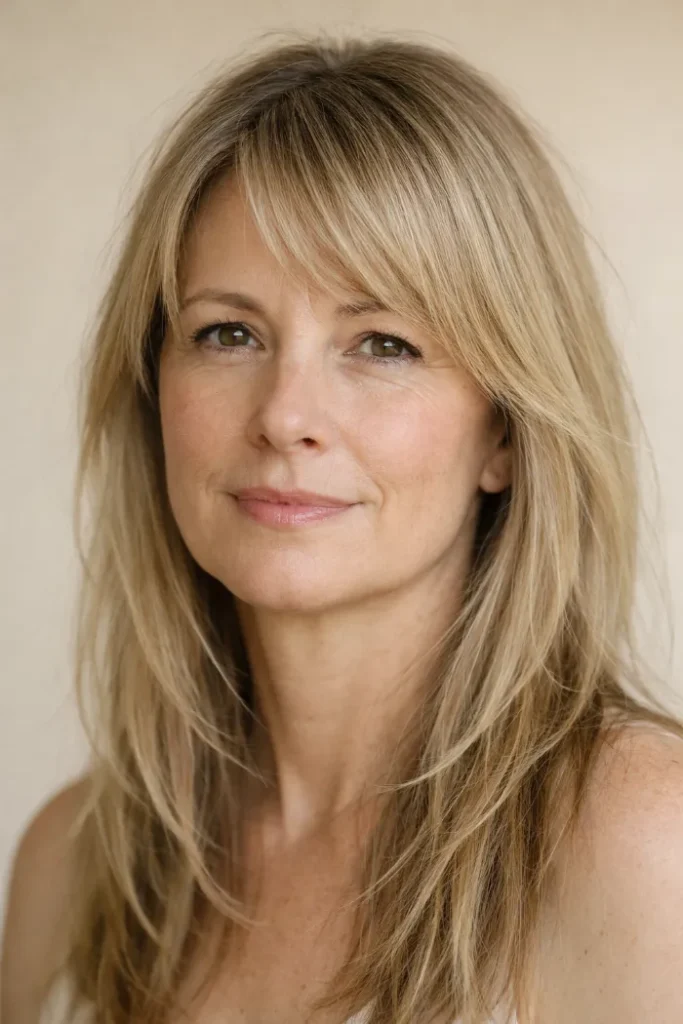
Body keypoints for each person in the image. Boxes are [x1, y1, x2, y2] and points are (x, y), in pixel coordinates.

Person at [2, 30, 683, 1024]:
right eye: (228, 333)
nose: (285, 415)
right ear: (153, 391)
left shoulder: (644, 845)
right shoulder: (69, 867)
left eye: (381, 344)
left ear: (502, 430)